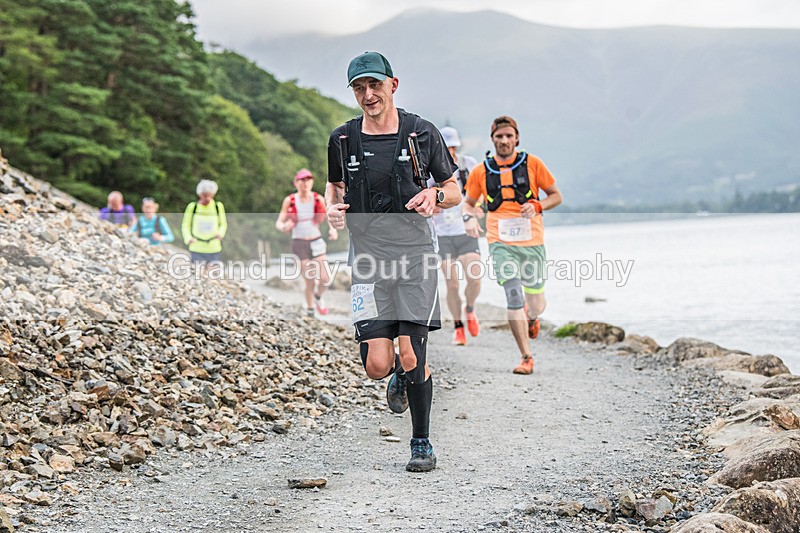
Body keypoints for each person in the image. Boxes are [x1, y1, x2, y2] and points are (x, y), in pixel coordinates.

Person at [326, 51, 460, 472]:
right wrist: (332, 210)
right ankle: (399, 376)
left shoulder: (422, 133)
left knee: (411, 353)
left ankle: (421, 443)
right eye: (359, 88)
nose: (368, 95)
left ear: (393, 85)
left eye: (375, 86)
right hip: (367, 259)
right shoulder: (342, 139)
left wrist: (434, 196)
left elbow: (454, 189)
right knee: (377, 366)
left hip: (416, 255)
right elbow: (335, 189)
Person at [464, 116, 562, 375]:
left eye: (509, 136)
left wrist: (538, 205)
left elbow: (556, 196)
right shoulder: (481, 171)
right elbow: (468, 202)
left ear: (517, 138)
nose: (504, 141)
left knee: (536, 302)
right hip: (499, 241)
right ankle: (526, 357)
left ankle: (533, 316)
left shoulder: (533, 164)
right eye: (499, 136)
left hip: (532, 241)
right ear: (493, 139)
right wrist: (469, 218)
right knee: (513, 295)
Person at [430, 126, 484, 346]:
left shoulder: (467, 164)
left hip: (465, 230)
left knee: (474, 278)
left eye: (453, 147)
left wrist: (477, 208)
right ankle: (458, 326)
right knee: (451, 284)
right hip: (442, 234)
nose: (450, 151)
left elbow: (480, 192)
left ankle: (470, 308)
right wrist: (431, 205)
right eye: (446, 146)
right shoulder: (429, 169)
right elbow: (420, 195)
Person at [276, 168, 338, 317]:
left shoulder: (317, 199)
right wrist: (284, 227)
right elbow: (279, 222)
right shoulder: (290, 200)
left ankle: (318, 296)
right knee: (309, 280)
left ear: (312, 182)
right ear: (296, 183)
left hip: (316, 241)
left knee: (326, 278)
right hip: (299, 243)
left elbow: (328, 216)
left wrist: (333, 229)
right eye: (301, 180)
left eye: (308, 180)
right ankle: (310, 309)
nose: (305, 183)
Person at [181, 180, 227, 266]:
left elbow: (223, 224)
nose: (207, 198)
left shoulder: (218, 206)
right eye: (205, 195)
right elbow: (185, 225)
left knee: (213, 274)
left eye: (210, 195)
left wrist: (221, 234)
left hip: (214, 248)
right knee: (198, 274)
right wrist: (188, 238)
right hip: (196, 247)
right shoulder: (192, 207)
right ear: (199, 194)